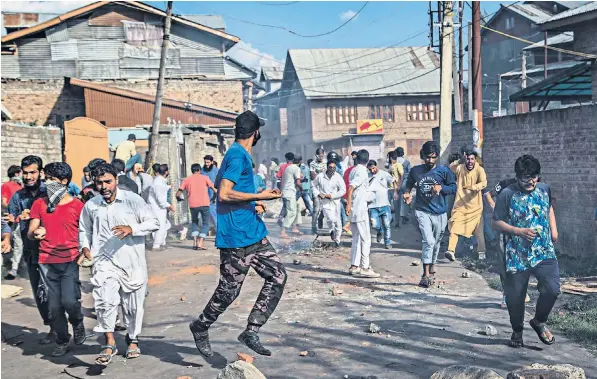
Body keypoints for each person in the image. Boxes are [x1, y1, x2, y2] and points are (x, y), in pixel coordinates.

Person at [189, 110, 286, 357]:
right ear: (255, 133)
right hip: (236, 238)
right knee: (228, 292)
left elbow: (232, 194)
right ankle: (201, 325)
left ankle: (251, 330)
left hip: (254, 232)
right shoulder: (236, 156)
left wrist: (255, 204)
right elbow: (223, 194)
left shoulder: (239, 155)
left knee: (277, 276)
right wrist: (260, 196)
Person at [79, 163, 159, 365]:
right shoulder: (92, 205)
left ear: (116, 179)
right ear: (94, 184)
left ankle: (132, 338)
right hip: (104, 262)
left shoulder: (132, 200)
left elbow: (153, 223)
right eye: (99, 183)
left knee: (132, 306)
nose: (104, 186)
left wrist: (131, 228)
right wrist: (85, 247)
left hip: (132, 262)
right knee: (104, 302)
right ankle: (109, 342)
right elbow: (84, 230)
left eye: (108, 181)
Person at [493, 155, 560, 348]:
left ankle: (539, 321)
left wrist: (554, 230)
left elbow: (548, 208)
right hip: (517, 254)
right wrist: (518, 231)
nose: (530, 181)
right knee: (515, 296)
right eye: (525, 177)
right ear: (517, 176)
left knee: (552, 289)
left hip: (543, 251)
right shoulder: (507, 194)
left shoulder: (544, 188)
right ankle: (517, 331)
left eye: (534, 176)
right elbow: (495, 222)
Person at [27, 162, 86, 357]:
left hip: (70, 260)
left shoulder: (78, 206)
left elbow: (86, 233)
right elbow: (30, 232)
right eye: (47, 179)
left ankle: (77, 322)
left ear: (64, 182)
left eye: (53, 180)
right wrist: (36, 233)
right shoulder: (39, 204)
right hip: (46, 261)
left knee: (70, 301)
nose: (48, 183)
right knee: (54, 306)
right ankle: (62, 339)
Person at [7, 155, 52, 342]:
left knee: (55, 290)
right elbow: (8, 220)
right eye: (25, 173)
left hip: (53, 249)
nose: (28, 177)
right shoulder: (18, 196)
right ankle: (53, 328)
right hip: (31, 250)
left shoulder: (50, 191)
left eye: (32, 172)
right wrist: (9, 232)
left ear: (40, 172)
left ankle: (67, 325)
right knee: (39, 292)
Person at [403, 141, 457, 288]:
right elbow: (409, 183)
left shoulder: (444, 171)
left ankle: (432, 264)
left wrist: (442, 187)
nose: (430, 161)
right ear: (422, 156)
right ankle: (425, 274)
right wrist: (407, 193)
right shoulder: (415, 171)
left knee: (437, 242)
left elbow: (453, 187)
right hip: (422, 211)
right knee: (429, 241)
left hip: (440, 212)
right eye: (427, 157)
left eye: (433, 157)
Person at [446, 149, 488, 262]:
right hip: (460, 206)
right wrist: (460, 160)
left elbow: (484, 183)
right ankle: (450, 251)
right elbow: (451, 167)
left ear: (475, 160)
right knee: (454, 226)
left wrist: (473, 187)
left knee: (479, 231)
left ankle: (481, 255)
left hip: (476, 207)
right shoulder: (460, 168)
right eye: (468, 159)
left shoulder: (480, 170)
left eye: (472, 159)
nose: (470, 161)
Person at [346, 149, 380, 278]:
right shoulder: (361, 171)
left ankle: (354, 266)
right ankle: (365, 267)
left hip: (355, 209)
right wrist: (349, 204)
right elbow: (351, 188)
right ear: (367, 159)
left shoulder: (354, 170)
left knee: (356, 238)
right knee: (366, 239)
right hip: (359, 209)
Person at [176, 163, 217, 250]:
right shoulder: (205, 178)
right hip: (205, 204)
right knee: (205, 224)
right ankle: (200, 243)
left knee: (194, 222)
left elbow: (178, 193)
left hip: (193, 204)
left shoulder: (187, 180)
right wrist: (214, 197)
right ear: (199, 170)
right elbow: (214, 189)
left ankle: (194, 242)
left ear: (192, 170)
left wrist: (179, 199)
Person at [311, 160, 346, 247]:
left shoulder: (338, 177)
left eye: (334, 168)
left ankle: (337, 240)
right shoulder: (320, 176)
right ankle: (331, 231)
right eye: (330, 167)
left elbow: (343, 190)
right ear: (327, 167)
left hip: (336, 201)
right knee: (330, 219)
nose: (332, 169)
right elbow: (313, 185)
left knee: (338, 222)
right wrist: (318, 194)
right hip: (325, 202)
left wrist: (332, 196)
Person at [367, 160, 398, 249]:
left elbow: (394, 181)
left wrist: (395, 192)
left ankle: (387, 243)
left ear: (376, 166)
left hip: (384, 204)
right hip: (372, 206)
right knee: (374, 224)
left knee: (387, 225)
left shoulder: (384, 174)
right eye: (370, 169)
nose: (372, 171)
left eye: (373, 168)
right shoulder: (367, 177)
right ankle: (379, 231)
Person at [2, 165, 23, 279]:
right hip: (12, 218)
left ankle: (17, 266)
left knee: (20, 242)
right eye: (20, 173)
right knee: (16, 242)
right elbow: (4, 202)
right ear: (16, 174)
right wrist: (11, 210)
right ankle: (13, 268)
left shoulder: (20, 186)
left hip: (22, 217)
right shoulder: (6, 186)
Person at [147, 164, 175, 251]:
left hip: (158, 207)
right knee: (160, 226)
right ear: (166, 172)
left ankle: (161, 243)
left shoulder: (160, 180)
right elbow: (160, 199)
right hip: (157, 208)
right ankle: (156, 245)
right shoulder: (158, 182)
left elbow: (162, 189)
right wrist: (169, 206)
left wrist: (169, 187)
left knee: (165, 225)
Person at [280, 155, 304, 239]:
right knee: (291, 212)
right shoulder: (296, 168)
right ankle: (283, 231)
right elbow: (298, 182)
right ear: (300, 162)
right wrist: (302, 189)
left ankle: (294, 228)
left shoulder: (289, 167)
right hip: (289, 193)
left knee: (296, 208)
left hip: (286, 192)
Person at [309, 148, 326, 232]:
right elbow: (312, 176)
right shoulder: (312, 163)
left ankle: (320, 218)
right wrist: (322, 174)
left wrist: (318, 174)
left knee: (324, 208)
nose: (321, 157)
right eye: (319, 156)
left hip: (325, 189)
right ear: (316, 155)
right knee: (316, 209)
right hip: (316, 189)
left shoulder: (326, 162)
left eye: (322, 156)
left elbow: (328, 175)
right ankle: (313, 226)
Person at [341, 151, 358, 236]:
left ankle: (347, 226)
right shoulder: (358, 171)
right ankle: (347, 226)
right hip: (350, 195)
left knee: (348, 212)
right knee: (354, 212)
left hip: (344, 194)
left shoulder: (347, 170)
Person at [202, 155, 220, 231]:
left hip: (214, 196)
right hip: (204, 195)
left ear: (212, 162)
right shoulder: (202, 171)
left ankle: (218, 231)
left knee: (213, 213)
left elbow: (220, 182)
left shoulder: (217, 171)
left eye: (208, 162)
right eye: (205, 162)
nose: (206, 164)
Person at [387, 151, 404, 228]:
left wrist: (399, 186)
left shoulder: (398, 165)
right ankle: (390, 219)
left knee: (396, 206)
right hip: (389, 188)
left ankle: (397, 222)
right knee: (387, 205)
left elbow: (402, 176)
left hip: (395, 188)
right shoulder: (389, 165)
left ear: (390, 158)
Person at [396, 147, 412, 225]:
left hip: (396, 183)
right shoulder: (406, 162)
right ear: (403, 153)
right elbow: (410, 172)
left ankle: (397, 218)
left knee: (397, 200)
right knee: (405, 199)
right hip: (405, 182)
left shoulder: (394, 161)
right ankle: (404, 216)